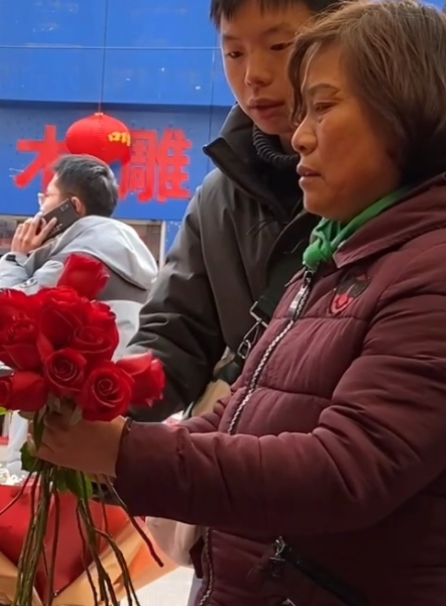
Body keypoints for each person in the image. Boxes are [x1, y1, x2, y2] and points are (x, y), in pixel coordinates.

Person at [37, 2, 446, 606]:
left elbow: (342, 472)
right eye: (234, 51)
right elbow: (239, 417)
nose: (299, 135)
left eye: (321, 106)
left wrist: (125, 453)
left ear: (405, 110)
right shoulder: (343, 252)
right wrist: (114, 442)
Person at [126, 0, 349, 424]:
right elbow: (175, 334)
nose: (254, 75)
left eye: (280, 45)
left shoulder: (388, 191)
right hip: (234, 469)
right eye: (234, 53)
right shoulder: (219, 197)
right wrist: (103, 397)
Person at [0, 155, 158, 472]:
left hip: (57, 437)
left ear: (72, 206)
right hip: (109, 437)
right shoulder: (137, 261)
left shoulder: (76, 260)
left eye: (46, 197)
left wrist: (16, 258)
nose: (39, 208)